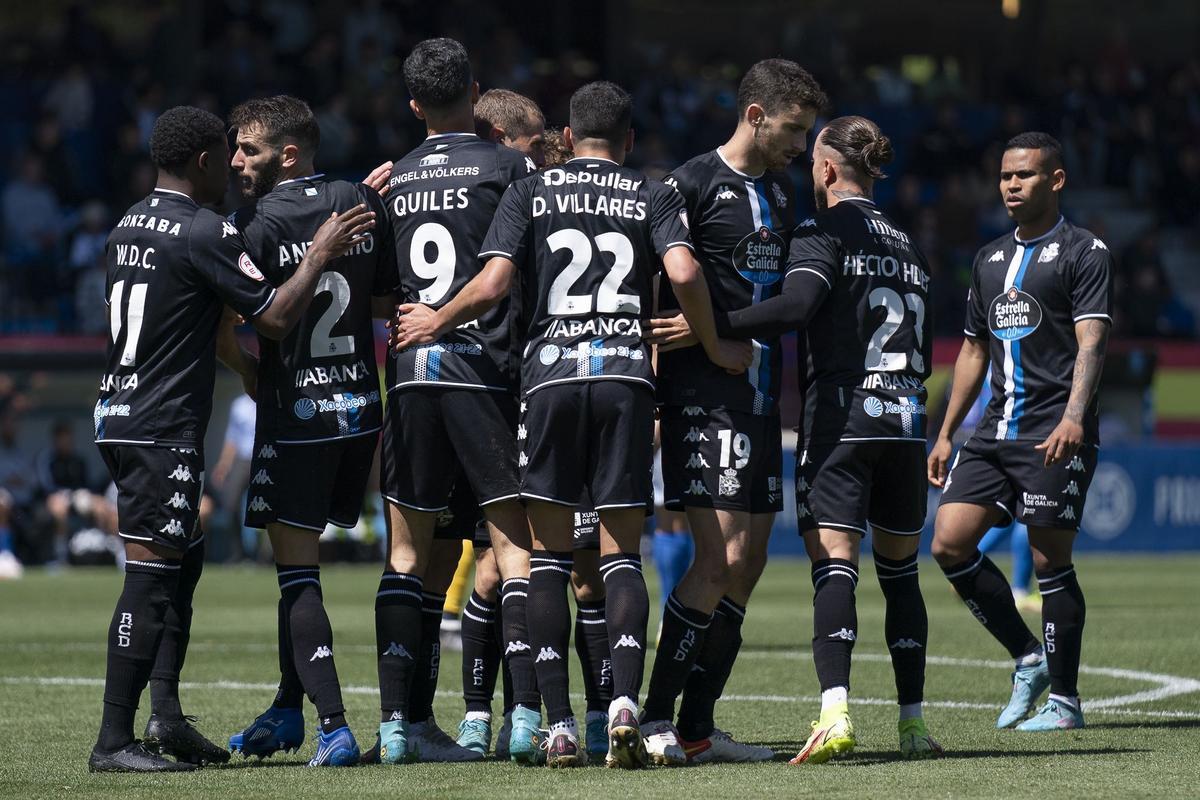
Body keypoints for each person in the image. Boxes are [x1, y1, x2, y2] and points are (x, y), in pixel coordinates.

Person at [394, 79, 750, 768]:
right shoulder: (653, 190)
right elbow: (682, 268)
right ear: (630, 138)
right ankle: (621, 704)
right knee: (620, 556)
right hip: (623, 379)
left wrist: (436, 318)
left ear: (568, 131)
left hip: (550, 381)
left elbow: (495, 283)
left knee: (550, 560)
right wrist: (711, 343)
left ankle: (557, 724)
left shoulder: (533, 190)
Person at [89, 105, 373, 773]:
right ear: (206, 161)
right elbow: (272, 315)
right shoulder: (203, 230)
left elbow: (207, 322)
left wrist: (242, 369)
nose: (237, 165)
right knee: (153, 577)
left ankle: (166, 717)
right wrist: (323, 252)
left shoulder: (128, 222)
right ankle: (113, 740)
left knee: (181, 564)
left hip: (121, 411)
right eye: (230, 153)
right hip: (161, 425)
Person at [712, 116, 943, 762]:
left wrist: (714, 323)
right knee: (901, 577)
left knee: (834, 566)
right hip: (905, 425)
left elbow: (795, 307)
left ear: (828, 170)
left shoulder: (821, 229)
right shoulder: (909, 244)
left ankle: (835, 713)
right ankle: (914, 726)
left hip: (843, 421)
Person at [640, 59, 826, 763]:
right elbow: (662, 285)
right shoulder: (686, 184)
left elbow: (783, 298)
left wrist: (722, 326)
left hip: (757, 398)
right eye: (792, 129)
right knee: (716, 563)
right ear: (755, 115)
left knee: (745, 567)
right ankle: (657, 717)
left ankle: (696, 728)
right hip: (703, 397)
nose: (800, 146)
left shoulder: (783, 193)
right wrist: (707, 342)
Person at [372, 37, 538, 765]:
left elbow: (381, 291)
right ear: (475, 92)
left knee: (410, 557)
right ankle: (529, 717)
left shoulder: (393, 180)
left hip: (410, 377)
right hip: (483, 374)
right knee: (512, 547)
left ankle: (399, 728)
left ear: (413, 105)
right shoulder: (509, 167)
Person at [221, 95, 397, 767]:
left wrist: (246, 373)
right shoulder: (357, 199)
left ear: (287, 154)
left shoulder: (254, 224)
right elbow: (383, 303)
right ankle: (287, 709)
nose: (237, 161)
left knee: (296, 574)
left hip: (296, 416)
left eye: (250, 150)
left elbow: (247, 323)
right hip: (359, 411)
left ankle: (333, 724)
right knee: (299, 569)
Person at [928, 132, 1112, 732]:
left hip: (1053, 429)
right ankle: (1028, 657)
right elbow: (974, 352)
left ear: (1055, 180)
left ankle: (1065, 702)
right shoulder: (988, 260)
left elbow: (1092, 342)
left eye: (1025, 175)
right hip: (994, 430)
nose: (1011, 185)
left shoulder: (1085, 251)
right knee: (949, 543)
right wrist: (948, 431)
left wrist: (1074, 417)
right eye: (1005, 175)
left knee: (1047, 556)